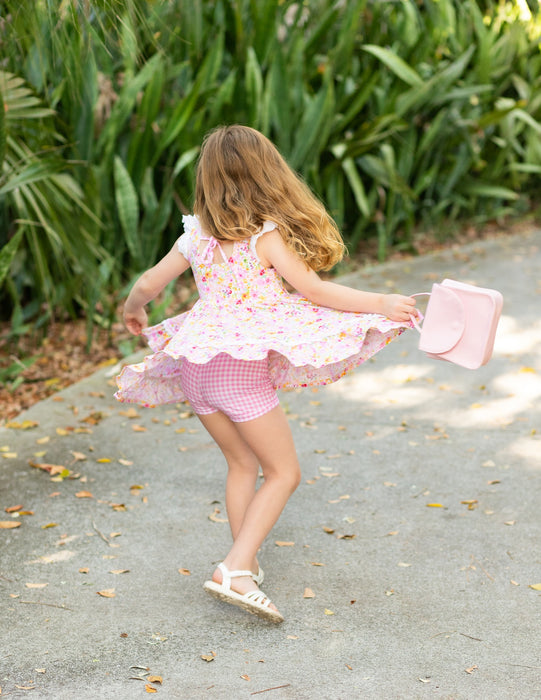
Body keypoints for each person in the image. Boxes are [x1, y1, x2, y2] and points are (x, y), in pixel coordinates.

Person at [116, 125, 418, 623]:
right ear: (264, 174)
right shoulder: (264, 236)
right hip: (238, 374)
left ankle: (246, 564)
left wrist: (134, 309)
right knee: (284, 472)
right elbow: (316, 292)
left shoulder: (195, 236)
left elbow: (148, 283)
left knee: (242, 465)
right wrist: (381, 303)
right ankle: (233, 568)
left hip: (197, 369)